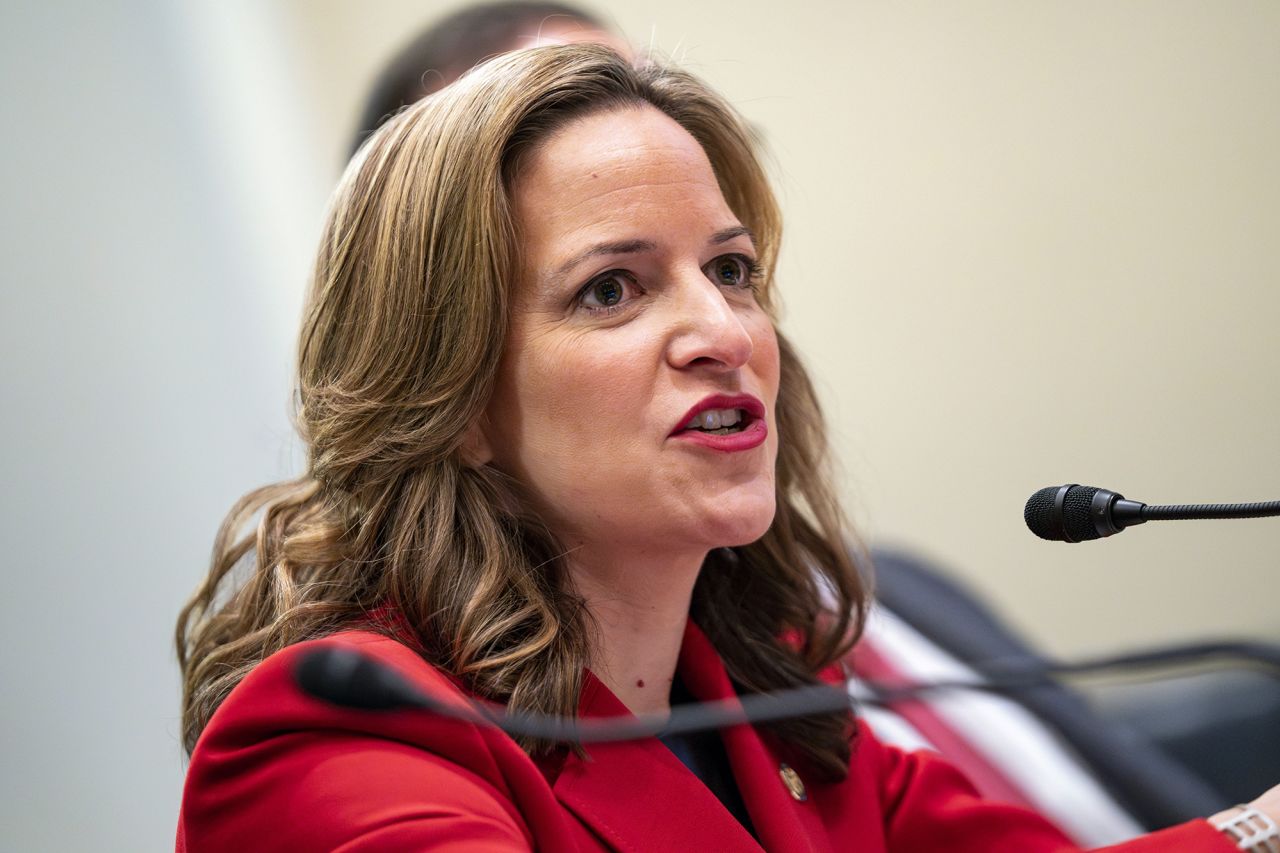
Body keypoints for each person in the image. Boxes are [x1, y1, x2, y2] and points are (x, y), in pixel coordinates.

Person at [175, 44, 1279, 851]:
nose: (721, 333)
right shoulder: (341, 740)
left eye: (731, 269)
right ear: (450, 395)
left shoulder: (767, 700)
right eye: (612, 289)